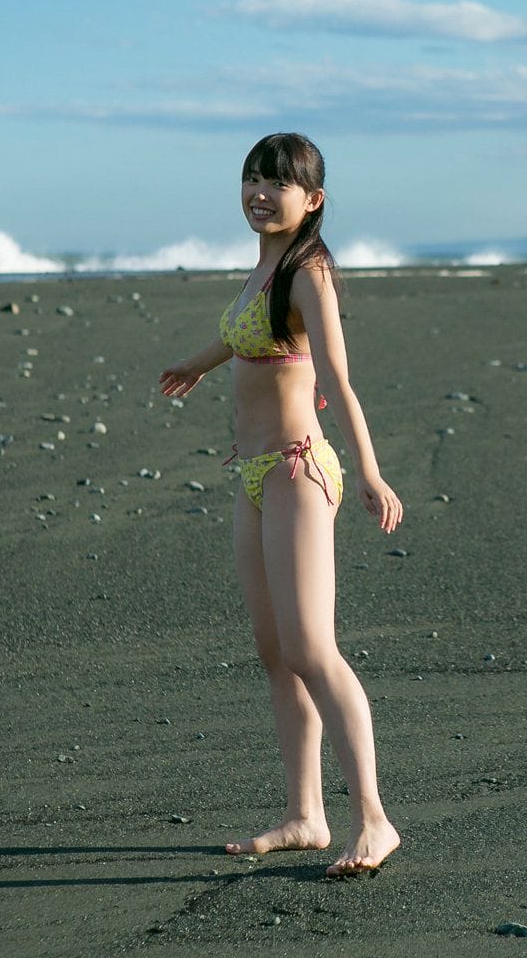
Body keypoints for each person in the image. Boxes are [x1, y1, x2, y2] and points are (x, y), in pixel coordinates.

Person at [159, 133, 403, 877]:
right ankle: (305, 815)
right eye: (252, 179)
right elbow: (244, 337)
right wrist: (197, 364)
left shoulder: (307, 272)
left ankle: (374, 820)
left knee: (311, 649)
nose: (260, 193)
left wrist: (371, 473)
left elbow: (338, 377)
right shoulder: (264, 264)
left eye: (278, 183)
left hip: (299, 470)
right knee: (275, 652)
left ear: (314, 199)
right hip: (256, 472)